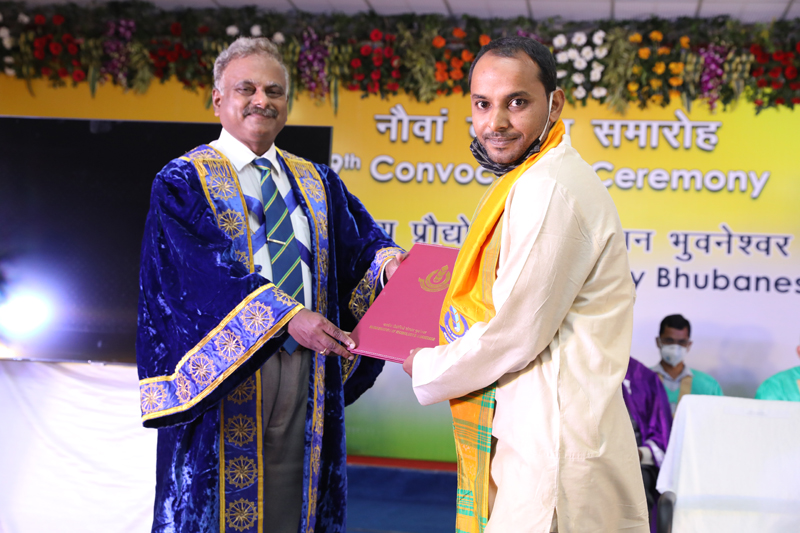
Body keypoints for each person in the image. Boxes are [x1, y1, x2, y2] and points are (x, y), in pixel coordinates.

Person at [136, 37, 403, 533]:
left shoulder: (318, 181)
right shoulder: (182, 181)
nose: (262, 100)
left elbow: (361, 245)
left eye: (274, 91)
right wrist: (285, 317)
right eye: (247, 88)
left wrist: (389, 267)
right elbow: (201, 275)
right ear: (218, 99)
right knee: (215, 511)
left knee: (291, 505)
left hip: (307, 369)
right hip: (226, 373)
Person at [402, 36, 648, 533]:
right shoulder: (533, 176)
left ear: (554, 104)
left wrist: (427, 365)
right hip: (543, 432)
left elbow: (515, 331)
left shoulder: (547, 187)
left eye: (517, 102)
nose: (495, 123)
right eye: (482, 104)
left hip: (552, 445)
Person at [623, 357, 673, 532]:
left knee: (635, 484)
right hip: (590, 459)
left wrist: (639, 453)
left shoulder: (644, 378)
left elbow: (661, 431)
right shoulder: (576, 368)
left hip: (636, 461)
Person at [650, 314, 723, 414]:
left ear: (689, 345)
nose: (675, 347)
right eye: (669, 341)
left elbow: (719, 419)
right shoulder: (640, 380)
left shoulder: (708, 386)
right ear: (658, 342)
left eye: (682, 342)